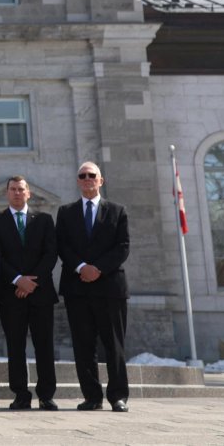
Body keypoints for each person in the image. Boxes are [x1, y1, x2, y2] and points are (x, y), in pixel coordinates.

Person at [56, 161, 131, 412]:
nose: (87, 179)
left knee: (114, 345)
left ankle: (118, 396)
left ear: (101, 181)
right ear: (78, 181)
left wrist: (97, 269)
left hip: (109, 288)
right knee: (83, 345)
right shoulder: (66, 213)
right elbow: (63, 246)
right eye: (82, 176)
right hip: (78, 289)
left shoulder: (117, 211)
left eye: (92, 175)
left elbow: (122, 247)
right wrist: (81, 268)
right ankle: (92, 396)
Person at [0, 175, 59, 411]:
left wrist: (31, 282)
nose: (17, 193)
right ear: (7, 193)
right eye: (13, 189)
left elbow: (50, 254)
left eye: (21, 189)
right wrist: (18, 280)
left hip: (40, 294)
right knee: (15, 346)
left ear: (29, 193)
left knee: (44, 345)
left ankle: (46, 395)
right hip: (11, 294)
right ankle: (20, 393)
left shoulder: (44, 219)